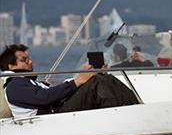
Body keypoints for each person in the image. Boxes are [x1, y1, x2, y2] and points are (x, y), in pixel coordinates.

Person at [0, 44, 139, 119]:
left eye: (29, 58)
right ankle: (122, 116)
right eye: (24, 60)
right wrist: (77, 82)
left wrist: (82, 77)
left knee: (102, 77)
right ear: (11, 66)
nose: (30, 62)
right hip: (51, 119)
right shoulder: (14, 85)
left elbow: (48, 93)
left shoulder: (25, 82)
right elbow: (44, 98)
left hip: (56, 113)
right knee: (97, 82)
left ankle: (133, 108)